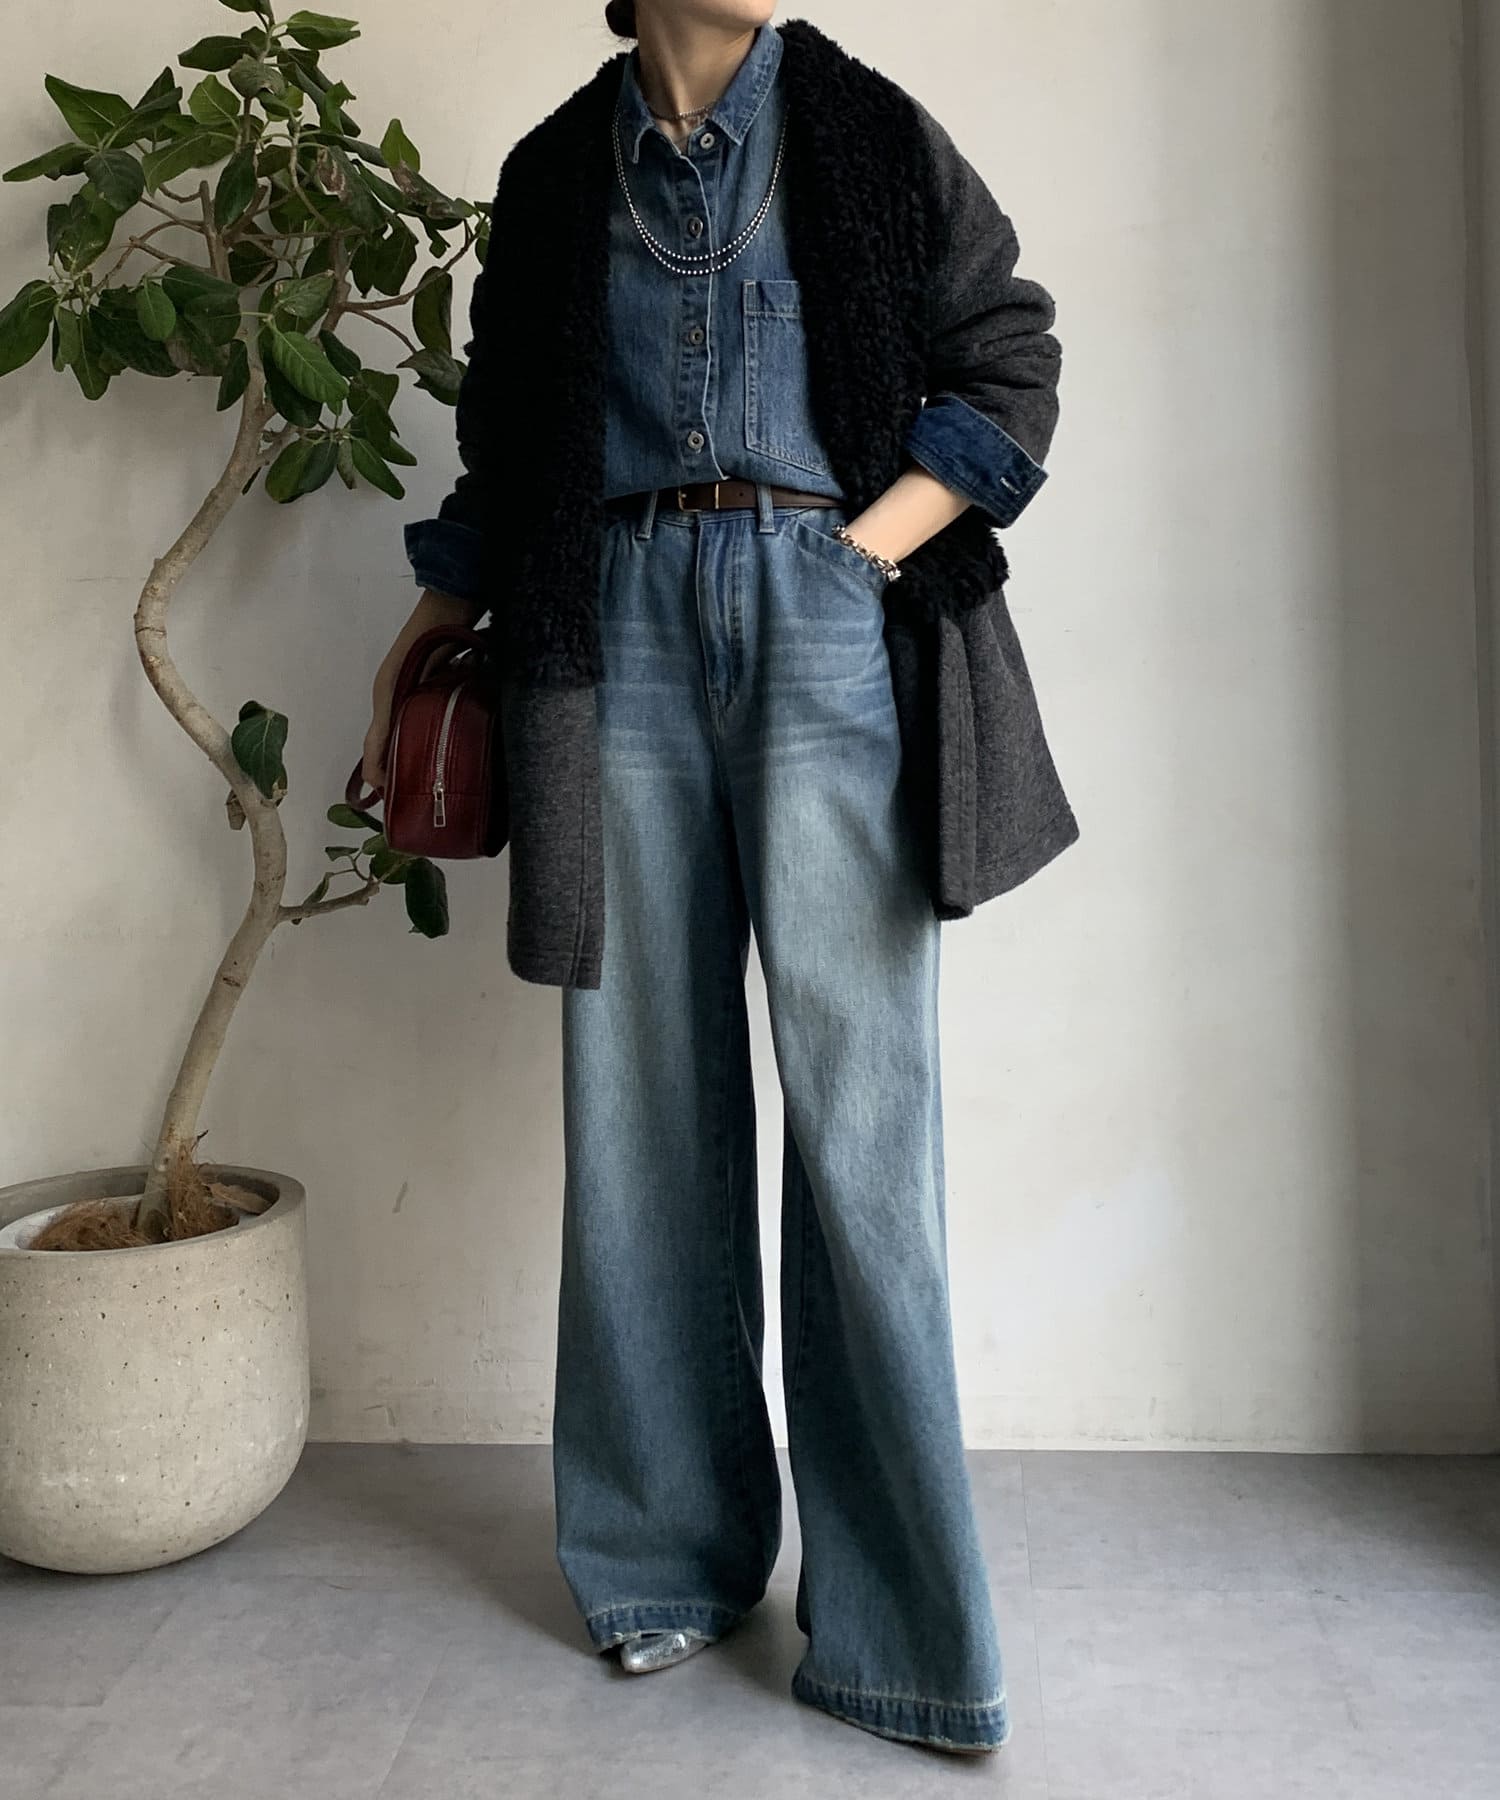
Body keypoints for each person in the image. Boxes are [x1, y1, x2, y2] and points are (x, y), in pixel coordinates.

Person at [362, 0, 1068, 1757]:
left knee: (861, 1126)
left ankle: (903, 1627)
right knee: (639, 1114)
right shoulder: (553, 173)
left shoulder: (870, 131)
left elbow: (1008, 357)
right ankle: (662, 1558)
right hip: (608, 641)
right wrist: (432, 622)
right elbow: (508, 441)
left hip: (828, 625)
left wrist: (863, 550)